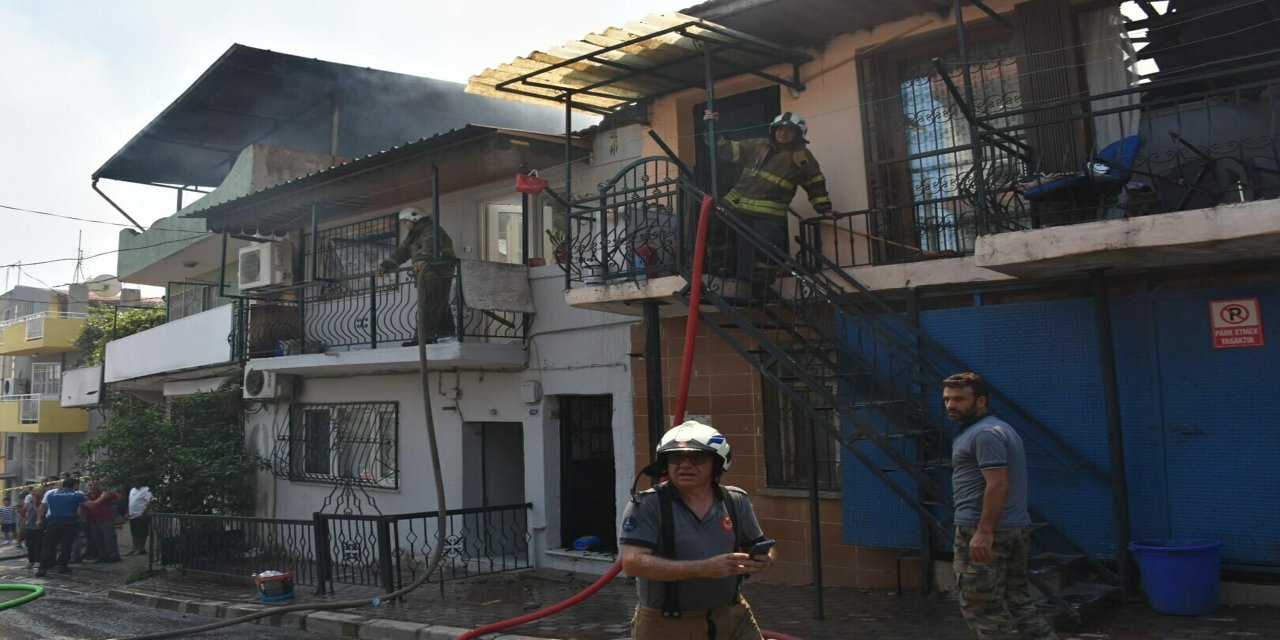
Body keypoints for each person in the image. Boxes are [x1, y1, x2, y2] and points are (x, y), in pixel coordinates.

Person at [619, 421, 775, 640]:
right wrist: (704, 568)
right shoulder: (647, 505)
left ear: (717, 464)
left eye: (697, 458)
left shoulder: (735, 500)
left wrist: (764, 559)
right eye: (676, 458)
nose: (685, 465)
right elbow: (632, 563)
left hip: (732, 616)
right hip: (667, 624)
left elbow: (758, 545)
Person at [943, 372, 1057, 640]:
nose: (951, 405)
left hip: (984, 529)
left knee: (982, 607)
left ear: (981, 401)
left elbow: (998, 485)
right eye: (947, 399)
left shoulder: (985, 434)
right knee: (1017, 600)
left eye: (959, 399)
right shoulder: (996, 429)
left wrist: (984, 532)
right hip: (1012, 526)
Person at [715, 112, 833, 281]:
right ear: (773, 130)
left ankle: (760, 289)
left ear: (798, 134)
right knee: (717, 230)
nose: (783, 133)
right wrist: (713, 127)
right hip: (735, 204)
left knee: (765, 251)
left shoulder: (802, 158)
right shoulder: (758, 145)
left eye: (789, 130)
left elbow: (815, 184)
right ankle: (721, 267)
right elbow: (727, 150)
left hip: (769, 215)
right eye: (779, 129)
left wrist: (824, 209)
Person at [378, 206, 457, 345]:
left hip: (437, 274)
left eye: (405, 221)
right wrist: (386, 264)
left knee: (429, 306)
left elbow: (430, 249)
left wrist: (422, 262)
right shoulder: (414, 235)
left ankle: (421, 339)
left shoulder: (431, 231)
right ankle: (447, 333)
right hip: (426, 275)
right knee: (438, 304)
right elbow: (401, 252)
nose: (404, 225)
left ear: (414, 217)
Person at [36, 477, 110, 577]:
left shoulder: (52, 494)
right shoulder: (77, 495)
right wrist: (103, 497)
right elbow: (92, 505)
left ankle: (42, 568)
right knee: (66, 545)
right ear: (75, 485)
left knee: (49, 545)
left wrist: (39, 519)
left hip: (53, 522)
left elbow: (43, 507)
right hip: (69, 522)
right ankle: (63, 566)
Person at [84, 483, 123, 563]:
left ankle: (114, 556)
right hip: (93, 520)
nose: (93, 487)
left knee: (109, 539)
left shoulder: (104, 494)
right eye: (90, 485)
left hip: (106, 519)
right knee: (97, 539)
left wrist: (108, 494)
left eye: (95, 485)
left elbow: (119, 497)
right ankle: (102, 556)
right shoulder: (86, 496)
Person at [126, 485, 154, 557]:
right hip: (132, 515)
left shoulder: (146, 490)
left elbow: (151, 502)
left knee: (142, 533)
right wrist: (128, 512)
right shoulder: (132, 490)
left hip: (141, 515)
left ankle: (141, 549)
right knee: (134, 533)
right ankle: (134, 548)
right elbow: (130, 502)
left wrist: (144, 513)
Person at [24, 486, 45, 567]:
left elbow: (41, 514)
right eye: (32, 492)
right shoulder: (30, 501)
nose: (32, 493)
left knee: (39, 545)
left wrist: (33, 505)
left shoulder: (43, 503)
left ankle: (39, 561)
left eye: (35, 492)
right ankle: (31, 561)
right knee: (30, 545)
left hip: (39, 527)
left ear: (40, 493)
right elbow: (27, 513)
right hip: (29, 526)